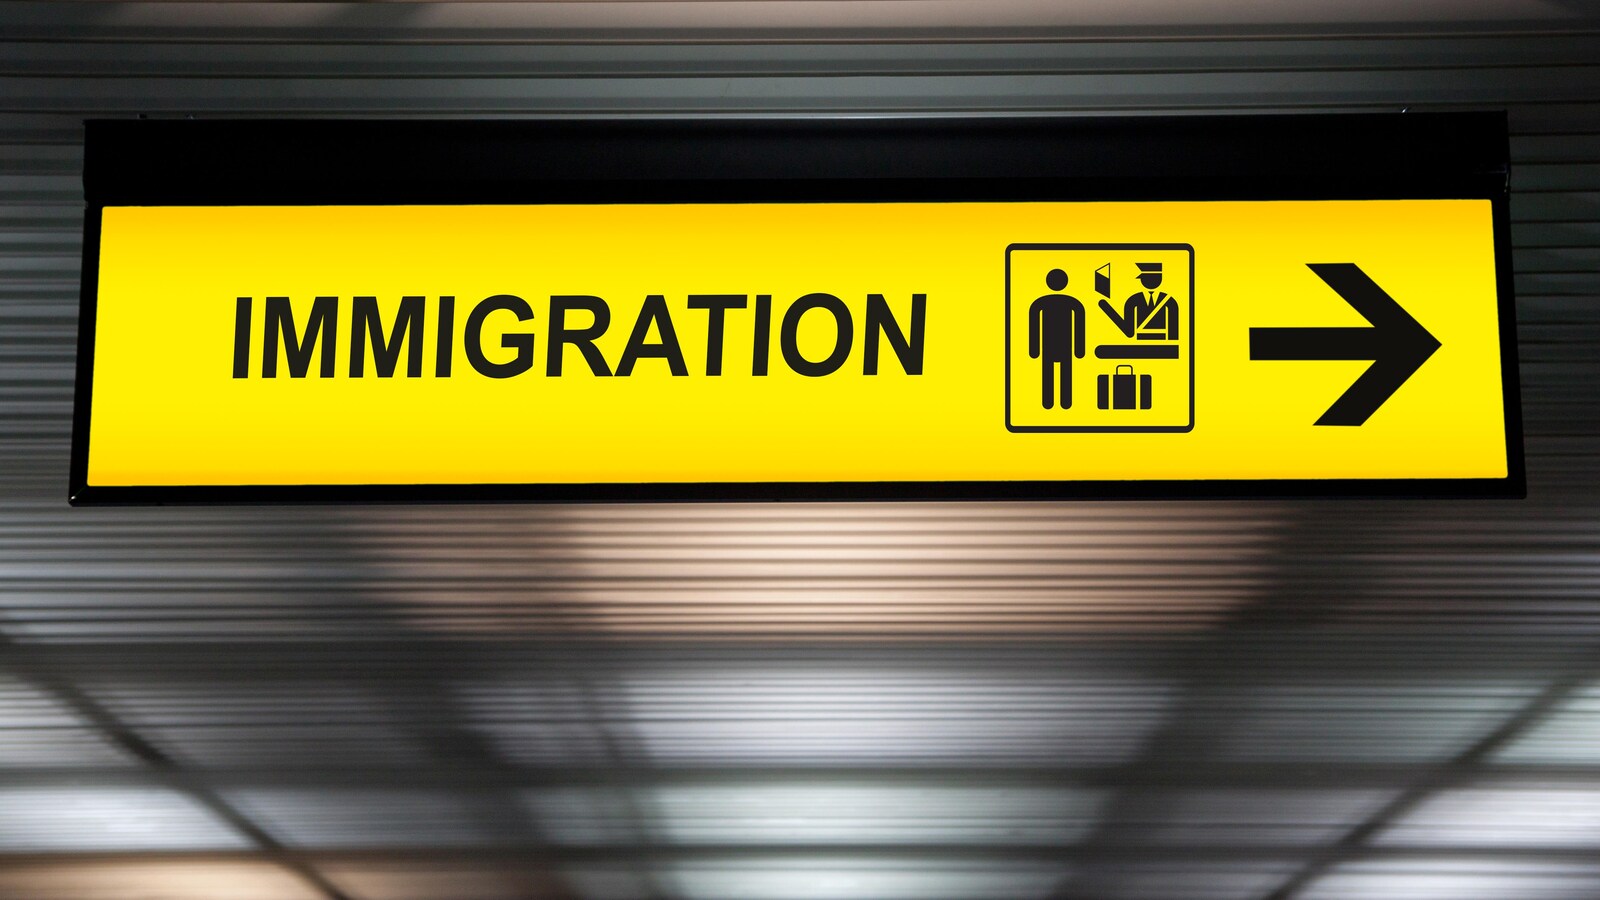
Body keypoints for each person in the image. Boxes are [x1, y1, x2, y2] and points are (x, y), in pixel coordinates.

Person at [1029, 269, 1086, 409]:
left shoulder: (1071, 303)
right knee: (1050, 373)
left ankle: (1064, 402)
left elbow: (1080, 324)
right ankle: (1050, 402)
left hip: (1062, 345)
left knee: (1062, 373)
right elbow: (1034, 324)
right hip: (1052, 345)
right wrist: (1034, 348)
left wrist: (1079, 348)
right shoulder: (1042, 303)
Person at [1100, 262, 1179, 341]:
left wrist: (1172, 346)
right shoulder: (1134, 300)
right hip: (1140, 342)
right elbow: (1128, 331)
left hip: (1163, 344)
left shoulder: (1169, 301)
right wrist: (1108, 309)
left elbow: (1174, 333)